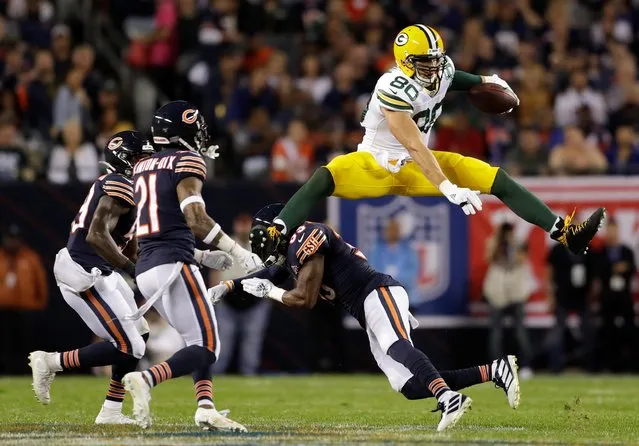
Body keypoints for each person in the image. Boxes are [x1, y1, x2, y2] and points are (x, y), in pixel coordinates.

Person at [258, 25, 605, 263]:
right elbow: (412, 144)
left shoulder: (444, 70)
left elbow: (470, 81)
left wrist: (493, 82)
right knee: (326, 176)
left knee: (495, 179)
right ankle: (277, 231)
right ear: (404, 62)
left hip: (417, 165)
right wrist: (448, 187)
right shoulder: (391, 87)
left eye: (436, 59)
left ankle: (564, 233)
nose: (434, 67)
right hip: (378, 164)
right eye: (425, 61)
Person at [210, 204, 522, 432]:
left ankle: (447, 397)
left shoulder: (307, 234)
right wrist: (227, 285)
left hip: (378, 293)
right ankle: (495, 370)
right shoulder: (292, 250)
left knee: (394, 345)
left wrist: (271, 292)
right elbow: (267, 273)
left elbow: (303, 298)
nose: (267, 246)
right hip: (369, 306)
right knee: (410, 386)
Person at [122, 100, 261, 431]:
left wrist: (199, 256)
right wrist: (238, 252)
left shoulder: (142, 165)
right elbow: (196, 220)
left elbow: (149, 232)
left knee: (196, 339)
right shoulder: (185, 160)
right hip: (172, 264)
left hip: (148, 268)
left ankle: (205, 407)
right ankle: (147, 378)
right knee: (209, 345)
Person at [30, 132, 157, 424]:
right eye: (142, 157)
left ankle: (111, 410)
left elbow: (127, 240)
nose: (147, 163)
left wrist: (146, 267)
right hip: (84, 272)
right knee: (131, 346)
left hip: (102, 270)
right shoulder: (119, 184)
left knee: (142, 330)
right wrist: (131, 268)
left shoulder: (129, 187)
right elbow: (97, 235)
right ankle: (50, 362)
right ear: (126, 160)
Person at [211, 213, 271, 376]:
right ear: (235, 225)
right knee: (224, 342)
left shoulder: (261, 245)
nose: (243, 228)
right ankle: (216, 377)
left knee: (252, 343)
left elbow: (270, 272)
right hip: (229, 300)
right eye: (240, 224)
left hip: (254, 301)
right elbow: (215, 271)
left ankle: (249, 375)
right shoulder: (226, 243)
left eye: (246, 224)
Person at [483, 223, 534, 379]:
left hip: (515, 284)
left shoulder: (518, 242)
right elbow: (489, 258)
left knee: (519, 330)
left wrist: (512, 244)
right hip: (498, 284)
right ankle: (498, 368)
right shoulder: (493, 242)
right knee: (496, 331)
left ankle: (525, 365)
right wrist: (498, 242)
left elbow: (521, 258)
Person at [0, 224, 47, 375]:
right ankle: (5, 372)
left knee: (25, 344)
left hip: (26, 309)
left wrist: (39, 305)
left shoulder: (30, 257)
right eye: (9, 239)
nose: (12, 243)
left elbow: (41, 283)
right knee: (5, 344)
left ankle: (25, 373)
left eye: (15, 239)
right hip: (3, 309)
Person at [592, 219, 637, 371]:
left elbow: (631, 269)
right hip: (608, 297)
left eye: (614, 230)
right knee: (608, 330)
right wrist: (613, 268)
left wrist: (624, 268)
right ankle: (611, 364)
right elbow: (599, 272)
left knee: (630, 329)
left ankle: (632, 363)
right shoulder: (601, 252)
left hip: (624, 296)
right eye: (609, 230)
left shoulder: (626, 251)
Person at [547, 241, 595, 373]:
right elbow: (550, 272)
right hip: (562, 296)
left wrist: (591, 297)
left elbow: (593, 274)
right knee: (558, 331)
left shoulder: (587, 248)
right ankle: (555, 365)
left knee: (587, 329)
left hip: (581, 296)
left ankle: (589, 365)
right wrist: (550, 295)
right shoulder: (558, 249)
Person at [368, 218, 419, 306]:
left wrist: (398, 280)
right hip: (382, 295)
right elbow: (371, 269)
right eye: (390, 229)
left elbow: (413, 270)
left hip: (406, 294)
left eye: (395, 229)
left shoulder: (408, 251)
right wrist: (385, 280)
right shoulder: (376, 250)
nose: (392, 232)